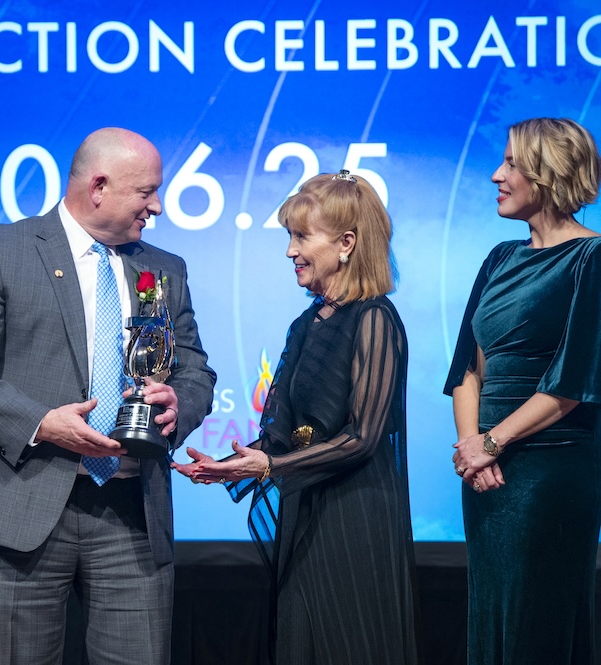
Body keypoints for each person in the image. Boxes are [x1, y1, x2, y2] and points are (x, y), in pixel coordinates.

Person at [0, 127, 216, 665]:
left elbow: (195, 368)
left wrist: (180, 406)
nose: (156, 206)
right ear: (99, 186)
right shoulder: (2, 250)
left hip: (133, 513)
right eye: (146, 192)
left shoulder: (164, 268)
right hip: (23, 504)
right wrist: (42, 421)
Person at [174, 171, 419, 664]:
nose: (290, 251)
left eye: (301, 236)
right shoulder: (304, 324)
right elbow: (280, 438)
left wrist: (269, 468)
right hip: (304, 513)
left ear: (347, 243)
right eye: (290, 236)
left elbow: (362, 438)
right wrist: (233, 465)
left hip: (355, 518)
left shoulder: (374, 318)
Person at [445, 117, 601, 664]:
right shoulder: (498, 259)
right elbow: (468, 368)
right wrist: (472, 448)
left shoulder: (591, 259)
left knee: (540, 624)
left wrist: (492, 443)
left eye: (511, 163)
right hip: (486, 475)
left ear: (548, 172)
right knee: (493, 617)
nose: (496, 174)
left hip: (549, 474)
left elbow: (574, 382)